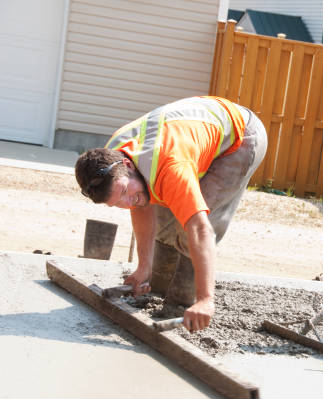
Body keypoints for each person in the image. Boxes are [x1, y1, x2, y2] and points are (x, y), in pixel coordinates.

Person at [75, 96, 268, 333]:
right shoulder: (110, 158)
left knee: (193, 221)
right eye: (117, 203)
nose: (127, 203)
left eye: (125, 191)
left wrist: (206, 298)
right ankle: (158, 284)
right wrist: (143, 267)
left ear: (127, 164)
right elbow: (140, 205)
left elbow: (199, 229)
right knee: (155, 205)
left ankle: (184, 303)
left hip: (240, 137)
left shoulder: (170, 167)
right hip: (187, 137)